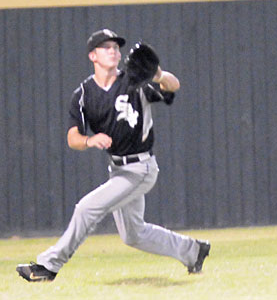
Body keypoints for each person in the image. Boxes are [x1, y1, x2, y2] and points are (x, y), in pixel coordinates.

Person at [16, 28, 210, 282]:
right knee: (133, 234)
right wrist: (89, 139)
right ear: (92, 56)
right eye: (106, 47)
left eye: (116, 47)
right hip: (118, 169)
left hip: (141, 168)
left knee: (86, 209)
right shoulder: (84, 94)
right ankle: (194, 251)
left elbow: (172, 86)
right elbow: (72, 138)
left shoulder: (135, 81)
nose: (113, 51)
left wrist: (159, 73)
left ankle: (47, 266)